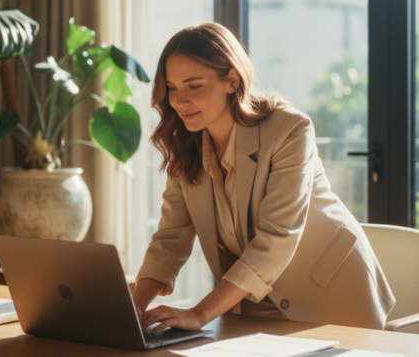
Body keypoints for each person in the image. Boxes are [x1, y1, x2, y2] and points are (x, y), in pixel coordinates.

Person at [133, 22, 395, 334]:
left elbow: (277, 237)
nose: (179, 101)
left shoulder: (289, 130)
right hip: (253, 304)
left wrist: (200, 313)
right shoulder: (186, 145)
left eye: (194, 86)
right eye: (173, 88)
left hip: (332, 299)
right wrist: (133, 310)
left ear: (232, 80)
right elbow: (170, 239)